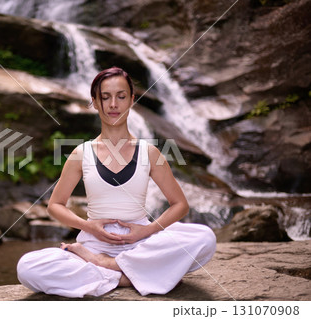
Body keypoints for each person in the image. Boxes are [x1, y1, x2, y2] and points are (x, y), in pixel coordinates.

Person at [16, 67, 216, 298]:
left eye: (121, 96)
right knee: (27, 266)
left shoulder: (149, 152)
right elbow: (55, 205)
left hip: (141, 244)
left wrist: (147, 230)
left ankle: (105, 267)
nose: (113, 105)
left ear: (131, 100)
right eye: (105, 97)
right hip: (94, 243)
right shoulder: (81, 153)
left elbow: (179, 204)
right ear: (94, 102)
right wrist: (87, 226)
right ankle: (135, 275)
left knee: (204, 238)